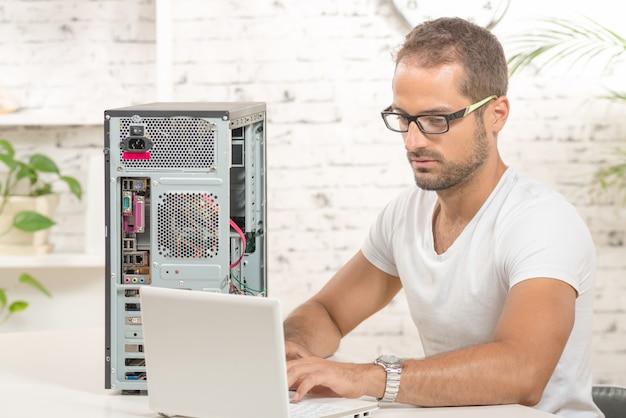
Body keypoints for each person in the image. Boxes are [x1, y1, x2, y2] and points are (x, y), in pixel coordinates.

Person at [283, 17, 602, 418]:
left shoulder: (542, 222)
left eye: (437, 120)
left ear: (496, 114)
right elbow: (327, 313)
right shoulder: (404, 215)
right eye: (404, 118)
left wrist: (369, 377)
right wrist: (290, 349)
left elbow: (522, 373)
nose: (413, 141)